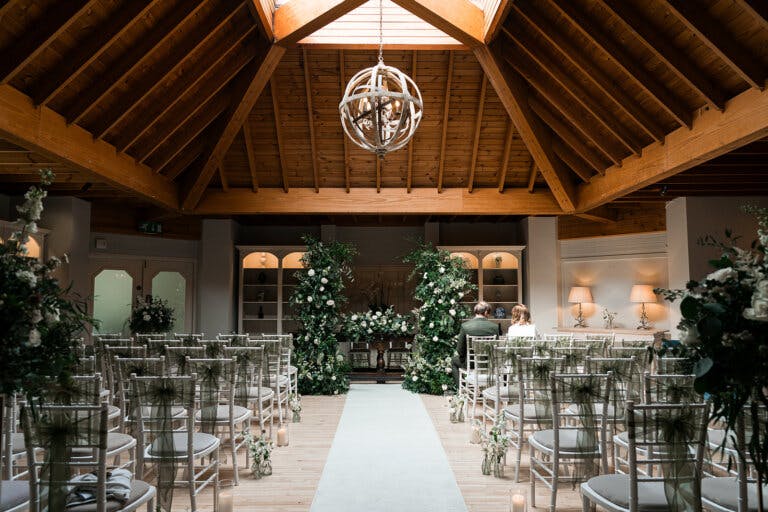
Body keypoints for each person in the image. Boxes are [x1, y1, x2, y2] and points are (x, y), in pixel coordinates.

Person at [450, 301, 502, 388]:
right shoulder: (494, 327)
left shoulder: (465, 326)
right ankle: (487, 389)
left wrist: (464, 359)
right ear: (485, 312)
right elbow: (495, 348)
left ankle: (462, 390)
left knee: (453, 361)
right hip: (488, 363)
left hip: (471, 363)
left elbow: (460, 349)